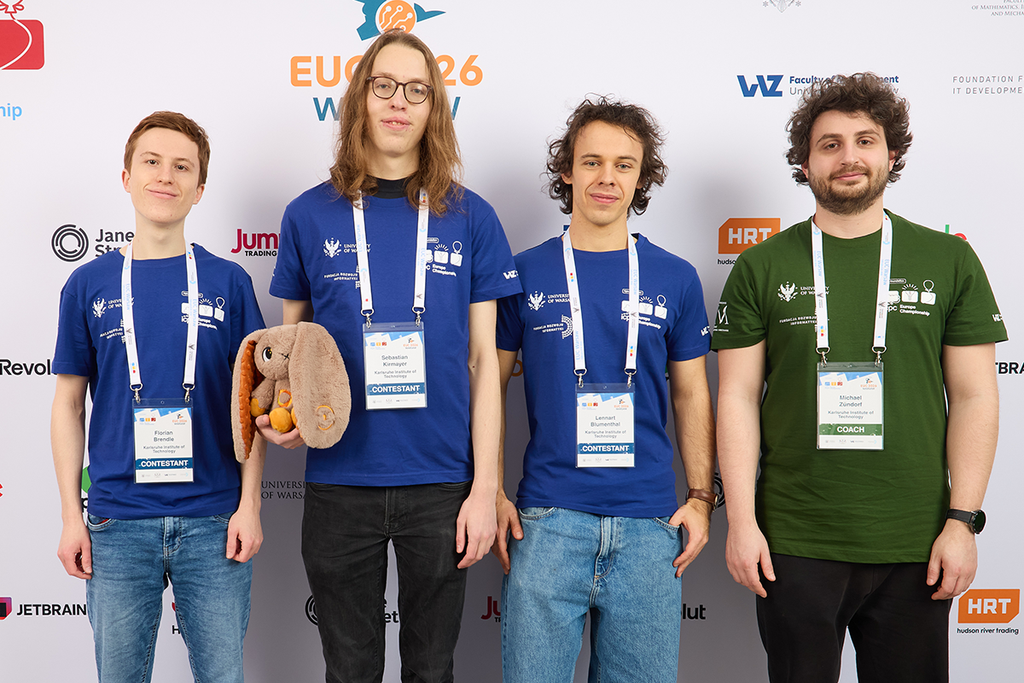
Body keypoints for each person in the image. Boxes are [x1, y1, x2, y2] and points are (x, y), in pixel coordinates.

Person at [713, 72, 1006, 683]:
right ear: (805, 162)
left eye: (865, 140)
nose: (849, 156)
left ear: (891, 154)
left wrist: (963, 521)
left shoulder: (948, 259)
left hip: (916, 541)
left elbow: (976, 394)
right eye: (830, 144)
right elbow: (737, 396)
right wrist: (741, 524)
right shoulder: (761, 266)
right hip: (794, 538)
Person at [262, 29, 520, 683]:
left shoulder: (471, 217)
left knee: (431, 668)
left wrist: (484, 487)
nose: (399, 102)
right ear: (359, 100)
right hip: (339, 481)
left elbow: (487, 362)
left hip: (441, 485)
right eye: (384, 86)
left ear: (434, 108)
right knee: (349, 668)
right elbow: (291, 348)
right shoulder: (308, 215)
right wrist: (282, 414)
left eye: (417, 90)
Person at [494, 97, 717, 682]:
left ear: (641, 178)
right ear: (566, 170)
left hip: (649, 528)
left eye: (624, 164)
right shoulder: (522, 274)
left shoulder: (675, 277)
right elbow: (486, 389)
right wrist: (489, 490)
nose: (606, 178)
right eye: (591, 162)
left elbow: (693, 393)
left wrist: (700, 497)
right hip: (546, 523)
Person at [50, 111, 267, 682]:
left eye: (181, 167)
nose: (165, 177)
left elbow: (253, 406)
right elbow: (69, 405)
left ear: (199, 189)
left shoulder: (230, 283)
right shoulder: (88, 284)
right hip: (118, 523)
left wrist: (250, 506)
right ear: (126, 177)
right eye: (151, 162)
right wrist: (73, 515)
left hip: (214, 522)